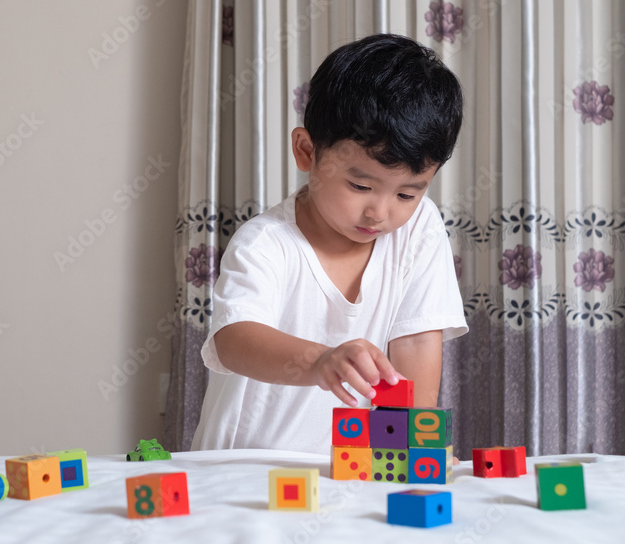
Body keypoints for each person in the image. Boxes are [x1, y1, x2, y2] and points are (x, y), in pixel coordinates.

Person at [191, 33, 467, 454]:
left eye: (407, 194)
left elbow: (415, 342)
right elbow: (234, 341)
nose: (379, 212)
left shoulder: (419, 229)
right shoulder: (266, 243)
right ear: (306, 151)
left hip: (349, 470)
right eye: (360, 185)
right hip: (246, 465)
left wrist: (417, 447)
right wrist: (320, 361)